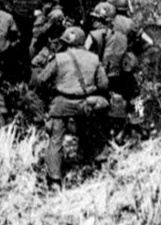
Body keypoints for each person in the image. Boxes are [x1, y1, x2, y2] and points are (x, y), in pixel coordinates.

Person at [32, 26, 109, 189]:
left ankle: (55, 180)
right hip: (85, 103)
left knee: (55, 140)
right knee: (94, 132)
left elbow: (41, 80)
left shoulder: (59, 58)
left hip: (62, 104)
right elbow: (104, 84)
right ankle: (101, 165)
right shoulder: (94, 59)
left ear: (66, 42)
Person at [107, 0, 154, 137]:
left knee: (114, 94)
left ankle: (116, 128)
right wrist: (135, 52)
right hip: (126, 67)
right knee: (136, 95)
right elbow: (150, 42)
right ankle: (138, 123)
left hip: (109, 66)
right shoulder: (131, 24)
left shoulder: (108, 22)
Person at [85, 2, 128, 134]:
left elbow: (84, 56)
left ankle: (98, 130)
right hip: (119, 75)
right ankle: (136, 124)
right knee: (134, 97)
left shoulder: (93, 35)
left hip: (100, 77)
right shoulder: (122, 36)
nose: (93, 21)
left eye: (96, 19)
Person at [29, 0, 69, 64]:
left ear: (50, 1)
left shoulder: (55, 14)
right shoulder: (51, 12)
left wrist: (43, 14)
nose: (42, 3)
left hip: (52, 48)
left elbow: (37, 32)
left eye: (44, 0)